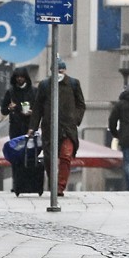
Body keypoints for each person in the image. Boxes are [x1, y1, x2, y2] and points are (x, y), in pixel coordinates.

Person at [28, 59, 86, 196]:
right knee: (49, 158)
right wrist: (33, 127)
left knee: (66, 156)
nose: (59, 73)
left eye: (61, 70)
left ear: (65, 70)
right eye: (57, 70)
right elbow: (37, 108)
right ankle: (53, 184)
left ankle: (60, 187)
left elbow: (81, 104)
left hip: (68, 128)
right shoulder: (45, 85)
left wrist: (75, 119)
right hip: (49, 128)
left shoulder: (73, 84)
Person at [0, 67, 37, 193]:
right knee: (16, 157)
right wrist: (10, 108)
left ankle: (29, 183)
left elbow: (39, 110)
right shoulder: (10, 92)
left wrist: (33, 113)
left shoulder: (33, 91)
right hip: (15, 127)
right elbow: (3, 110)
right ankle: (17, 184)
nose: (19, 79)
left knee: (31, 154)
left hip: (29, 127)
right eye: (17, 77)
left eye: (21, 77)